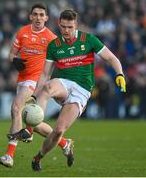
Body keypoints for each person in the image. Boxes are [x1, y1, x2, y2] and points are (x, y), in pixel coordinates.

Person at [11, 9, 126, 171]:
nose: (66, 31)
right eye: (63, 27)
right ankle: (29, 130)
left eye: (70, 27)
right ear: (59, 24)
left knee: (58, 130)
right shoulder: (54, 45)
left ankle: (38, 158)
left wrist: (119, 74)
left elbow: (111, 58)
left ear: (76, 26)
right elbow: (45, 75)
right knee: (48, 86)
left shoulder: (89, 40)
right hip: (64, 83)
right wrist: (35, 96)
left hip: (82, 90)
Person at [0, 4, 74, 168]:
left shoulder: (51, 38)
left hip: (36, 81)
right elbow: (11, 54)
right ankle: (64, 143)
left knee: (16, 109)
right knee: (35, 123)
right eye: (35, 14)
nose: (38, 17)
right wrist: (14, 60)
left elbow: (63, 58)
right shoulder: (22, 32)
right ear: (30, 16)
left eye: (41, 15)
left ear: (46, 18)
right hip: (22, 79)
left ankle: (9, 155)